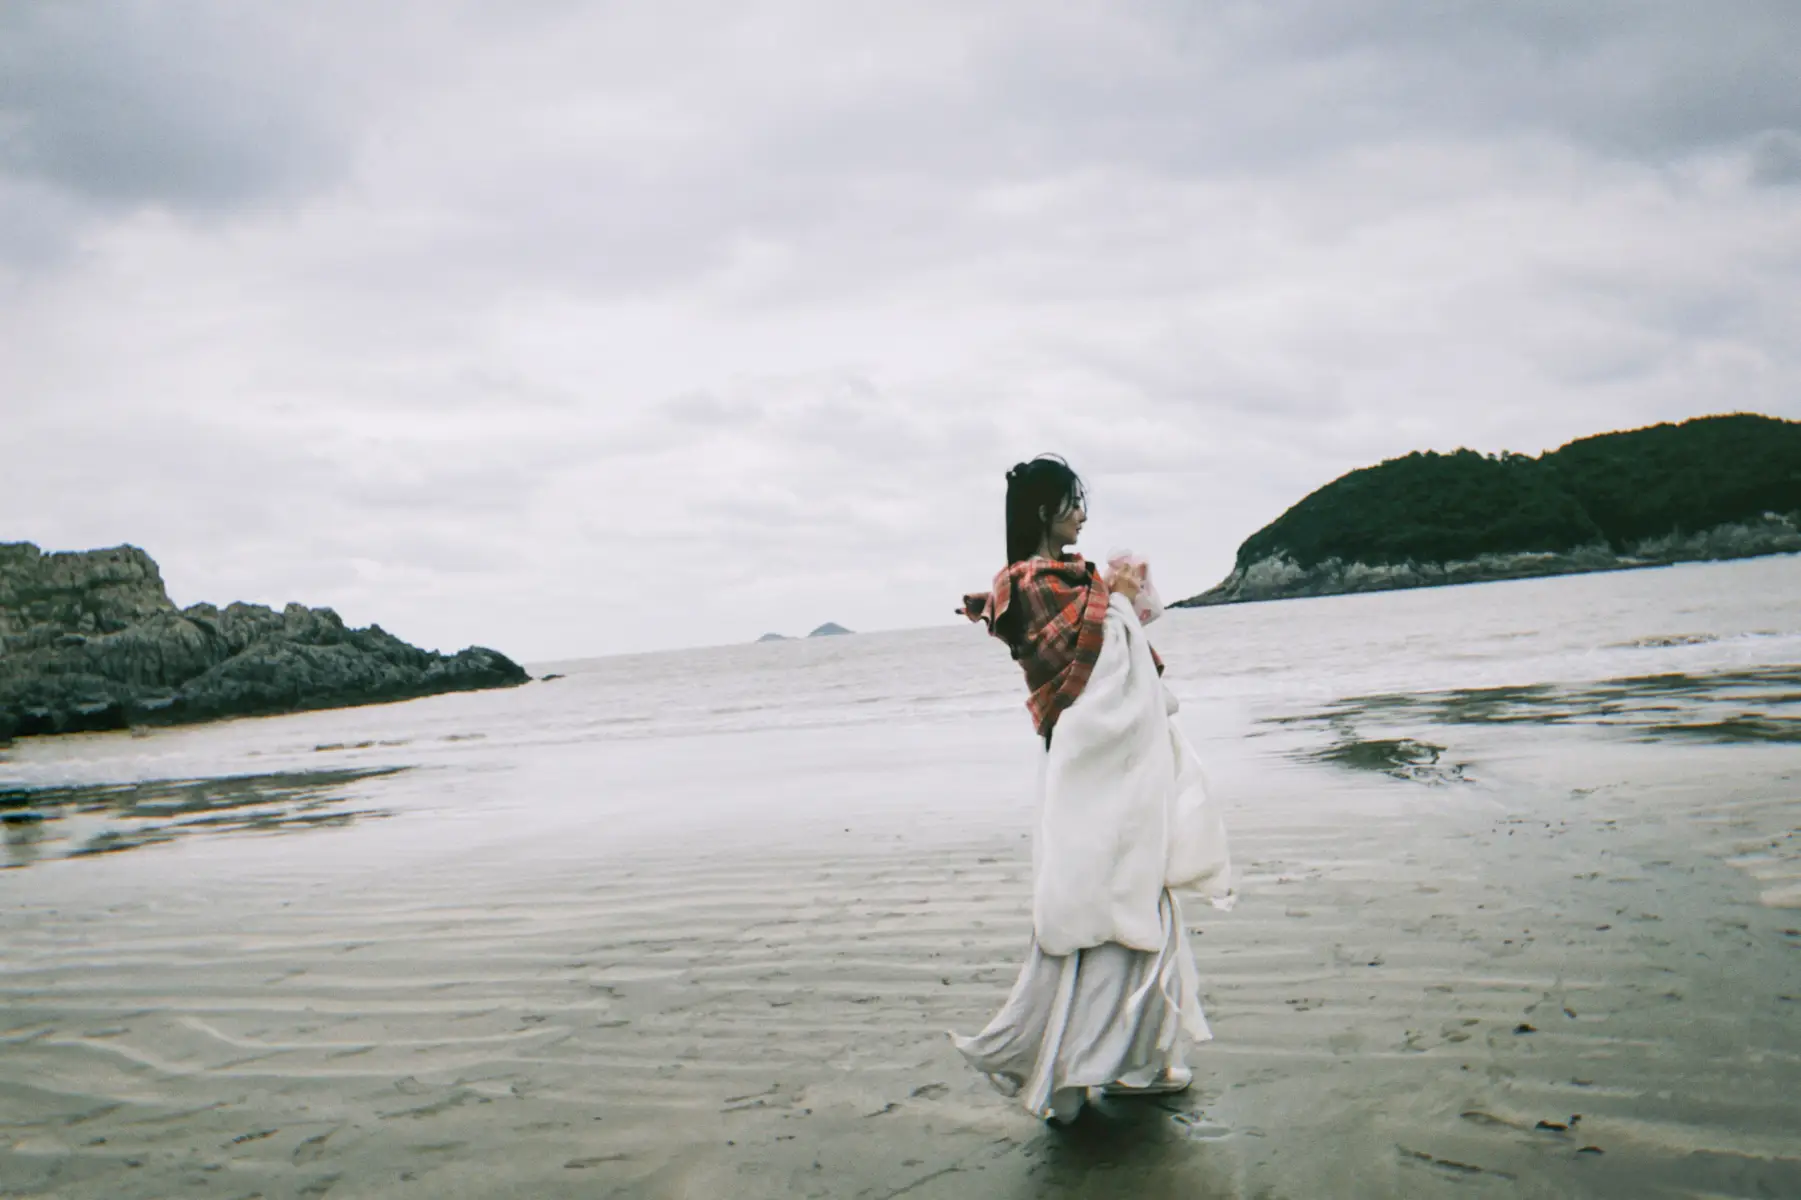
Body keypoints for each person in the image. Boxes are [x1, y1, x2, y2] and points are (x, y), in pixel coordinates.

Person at [951, 455, 1234, 1125]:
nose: (1081, 514)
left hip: (1114, 764)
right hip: (1090, 763)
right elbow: (1090, 671)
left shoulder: (1077, 580)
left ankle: (1132, 1063)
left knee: (1134, 896)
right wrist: (1118, 599)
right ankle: (1078, 1071)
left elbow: (1119, 643)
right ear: (1043, 511)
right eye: (1071, 503)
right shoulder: (1028, 583)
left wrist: (1126, 596)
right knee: (1099, 904)